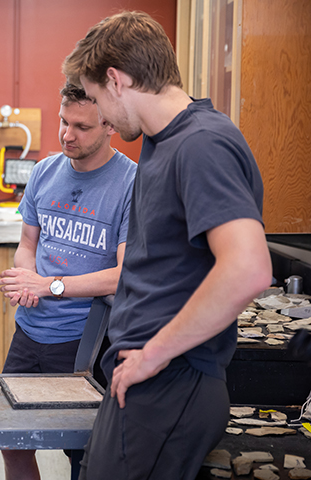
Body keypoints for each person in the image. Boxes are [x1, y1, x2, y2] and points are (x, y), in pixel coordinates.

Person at [63, 11, 272, 480]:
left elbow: (249, 267)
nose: (105, 117)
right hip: (147, 378)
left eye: (97, 99)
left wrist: (153, 354)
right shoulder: (163, 142)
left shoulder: (202, 144)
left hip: (171, 382)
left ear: (115, 80)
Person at [0, 83, 137, 480]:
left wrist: (49, 285)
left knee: (83, 451)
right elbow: (27, 244)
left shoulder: (131, 183)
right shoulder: (44, 171)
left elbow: (125, 274)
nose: (66, 134)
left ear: (109, 124)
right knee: (11, 439)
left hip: (85, 340)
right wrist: (27, 278)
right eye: (63, 121)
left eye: (81, 126)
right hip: (29, 333)